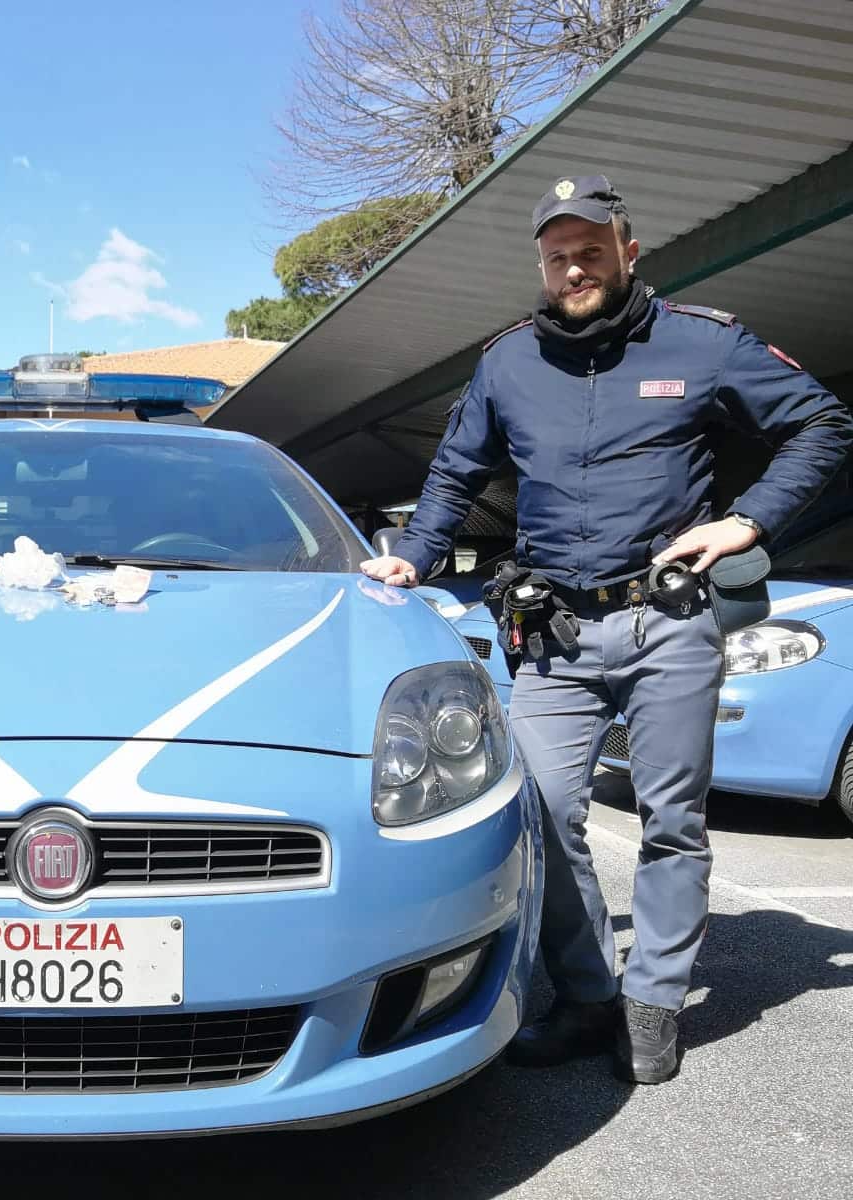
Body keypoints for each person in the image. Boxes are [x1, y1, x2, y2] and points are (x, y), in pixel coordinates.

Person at [363, 176, 852, 1084]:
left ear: (630, 252)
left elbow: (822, 423)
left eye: (592, 249)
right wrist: (413, 556)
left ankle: (655, 1004)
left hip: (668, 620)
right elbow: (456, 471)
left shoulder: (705, 345)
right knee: (542, 816)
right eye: (559, 255)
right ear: (542, 266)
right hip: (552, 636)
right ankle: (589, 996)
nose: (574, 267)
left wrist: (747, 523)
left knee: (672, 822)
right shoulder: (507, 363)